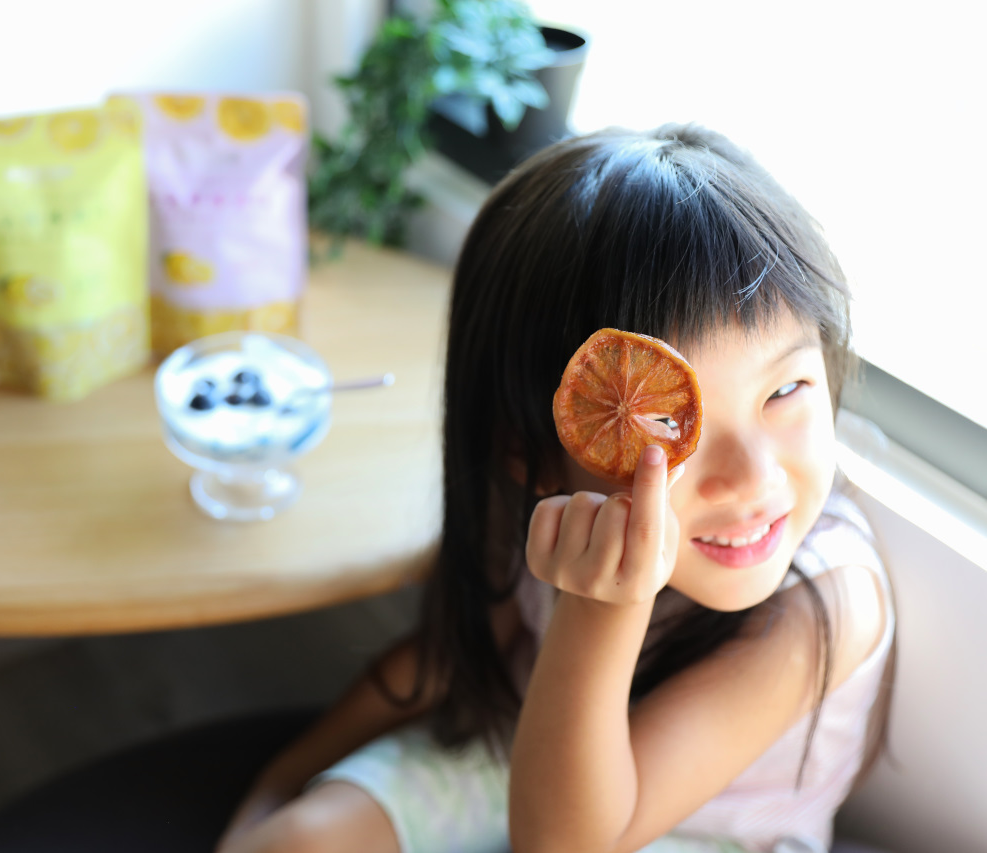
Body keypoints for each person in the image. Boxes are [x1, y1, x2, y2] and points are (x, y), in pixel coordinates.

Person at [215, 124, 896, 853]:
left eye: (785, 388)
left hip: (706, 834)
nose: (752, 476)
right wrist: (286, 776)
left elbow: (564, 843)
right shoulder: (554, 507)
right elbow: (448, 654)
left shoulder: (826, 600)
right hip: (522, 738)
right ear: (533, 454)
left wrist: (602, 607)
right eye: (667, 421)